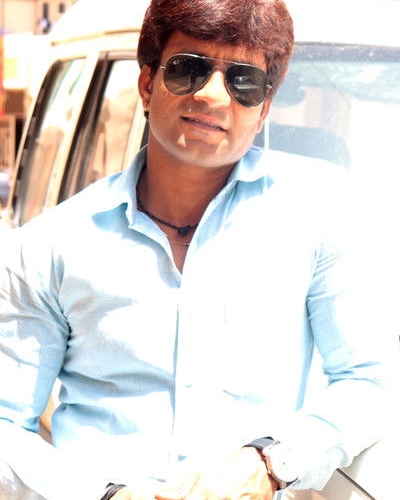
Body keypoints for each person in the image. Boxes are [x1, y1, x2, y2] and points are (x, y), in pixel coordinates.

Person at [0, 0, 394, 499]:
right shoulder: (49, 245)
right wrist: (106, 495)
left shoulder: (322, 215)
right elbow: (5, 423)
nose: (212, 96)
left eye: (244, 81)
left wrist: (272, 463)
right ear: (148, 84)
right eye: (189, 69)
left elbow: (370, 380)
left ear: (264, 107)